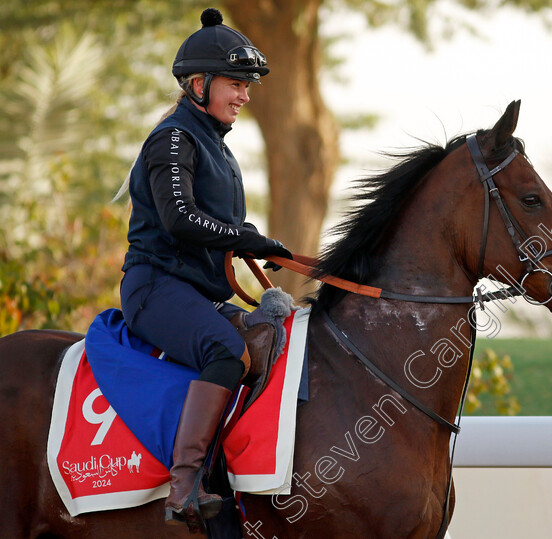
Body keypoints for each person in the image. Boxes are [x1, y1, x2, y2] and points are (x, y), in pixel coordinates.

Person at [119, 7, 291, 526]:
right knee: (225, 349)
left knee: (270, 340)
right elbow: (179, 221)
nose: (244, 95)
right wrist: (244, 236)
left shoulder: (215, 145)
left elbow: (209, 227)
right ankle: (184, 487)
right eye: (235, 84)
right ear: (198, 84)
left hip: (194, 292)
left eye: (247, 86)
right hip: (154, 288)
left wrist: (252, 241)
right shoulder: (173, 138)